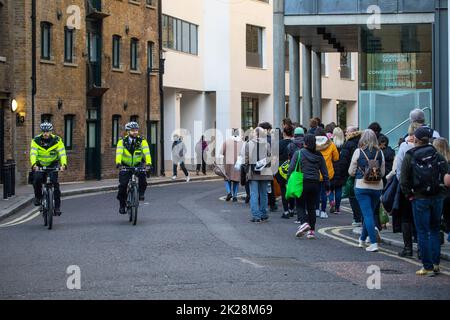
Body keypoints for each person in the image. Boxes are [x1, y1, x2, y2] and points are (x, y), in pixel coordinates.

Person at [400, 126, 448, 276]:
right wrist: (442, 192)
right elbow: (446, 172)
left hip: (419, 198)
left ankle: (426, 266)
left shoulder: (410, 154)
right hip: (437, 197)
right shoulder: (437, 153)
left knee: (422, 231)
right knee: (434, 230)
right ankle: (435, 264)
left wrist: (409, 195)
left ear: (416, 139)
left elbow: (404, 180)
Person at [349, 129, 386, 252]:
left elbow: (351, 171)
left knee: (367, 215)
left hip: (362, 186)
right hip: (377, 187)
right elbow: (383, 171)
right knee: (368, 214)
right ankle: (362, 239)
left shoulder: (358, 152)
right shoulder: (380, 152)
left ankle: (374, 243)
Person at [290, 134, 330, 239]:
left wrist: (288, 181)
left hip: (302, 182)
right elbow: (324, 172)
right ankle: (311, 231)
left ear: (305, 143)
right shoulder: (319, 155)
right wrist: (327, 186)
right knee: (311, 207)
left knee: (300, 204)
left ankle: (304, 223)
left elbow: (291, 169)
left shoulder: (298, 153)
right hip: (315, 184)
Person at [393, 122, 422, 257]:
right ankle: (422, 250)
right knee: (421, 219)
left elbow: (399, 169)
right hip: (422, 188)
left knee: (406, 218)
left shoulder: (404, 147)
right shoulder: (428, 147)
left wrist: (403, 186)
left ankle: (408, 248)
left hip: (407, 187)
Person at [30, 122, 67, 216]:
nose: (45, 133)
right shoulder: (36, 140)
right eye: (44, 131)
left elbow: (62, 153)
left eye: (47, 131)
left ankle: (57, 207)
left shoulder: (57, 140)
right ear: (41, 132)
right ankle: (38, 198)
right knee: (37, 180)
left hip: (52, 164)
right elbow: (33, 154)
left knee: (55, 184)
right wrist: (34, 164)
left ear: (51, 131)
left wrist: (63, 164)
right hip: (39, 164)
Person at [115, 122, 152, 214]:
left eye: (136, 130)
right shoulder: (122, 141)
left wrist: (148, 163)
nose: (135, 132)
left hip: (137, 164)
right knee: (123, 186)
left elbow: (146, 153)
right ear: (128, 131)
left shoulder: (142, 141)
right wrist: (118, 162)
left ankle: (141, 193)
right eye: (133, 130)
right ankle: (122, 205)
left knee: (143, 179)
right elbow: (119, 153)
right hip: (125, 165)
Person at [244, 127, 273, 223]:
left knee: (254, 194)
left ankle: (256, 216)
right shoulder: (267, 144)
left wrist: (246, 169)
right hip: (265, 171)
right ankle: (264, 214)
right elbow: (269, 157)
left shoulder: (249, 144)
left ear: (256, 134)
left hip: (253, 172)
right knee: (264, 194)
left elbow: (246, 159)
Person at [315, 127, 339, 219]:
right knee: (324, 193)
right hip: (327, 172)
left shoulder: (313, 144)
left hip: (315, 172)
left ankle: (316, 210)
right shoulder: (331, 144)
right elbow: (336, 158)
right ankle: (323, 211)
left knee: (316, 193)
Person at [341, 126, 363, 226]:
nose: (345, 133)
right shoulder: (362, 142)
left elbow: (344, 162)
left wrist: (344, 176)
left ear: (353, 132)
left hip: (351, 174)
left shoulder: (347, 144)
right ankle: (362, 218)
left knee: (352, 196)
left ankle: (357, 218)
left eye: (347, 132)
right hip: (363, 173)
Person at [432, 138, 450, 246]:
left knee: (436, 220)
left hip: (439, 194)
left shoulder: (433, 160)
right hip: (448, 195)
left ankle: (439, 239)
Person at [275, 125, 295, 218]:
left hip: (281, 168)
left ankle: (286, 211)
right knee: (291, 189)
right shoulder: (294, 143)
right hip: (293, 167)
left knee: (283, 190)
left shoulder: (279, 143)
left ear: (283, 133)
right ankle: (291, 209)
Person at [221, 130, 243, 202]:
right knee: (236, 180)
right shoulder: (242, 142)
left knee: (227, 178)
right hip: (238, 163)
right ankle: (235, 196)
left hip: (228, 163)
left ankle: (229, 192)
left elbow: (222, 152)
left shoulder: (226, 141)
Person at [329, 127, 346, 214]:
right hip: (342, 168)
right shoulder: (345, 144)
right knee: (339, 188)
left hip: (332, 167)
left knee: (331, 188)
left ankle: (331, 201)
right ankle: (337, 208)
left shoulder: (330, 144)